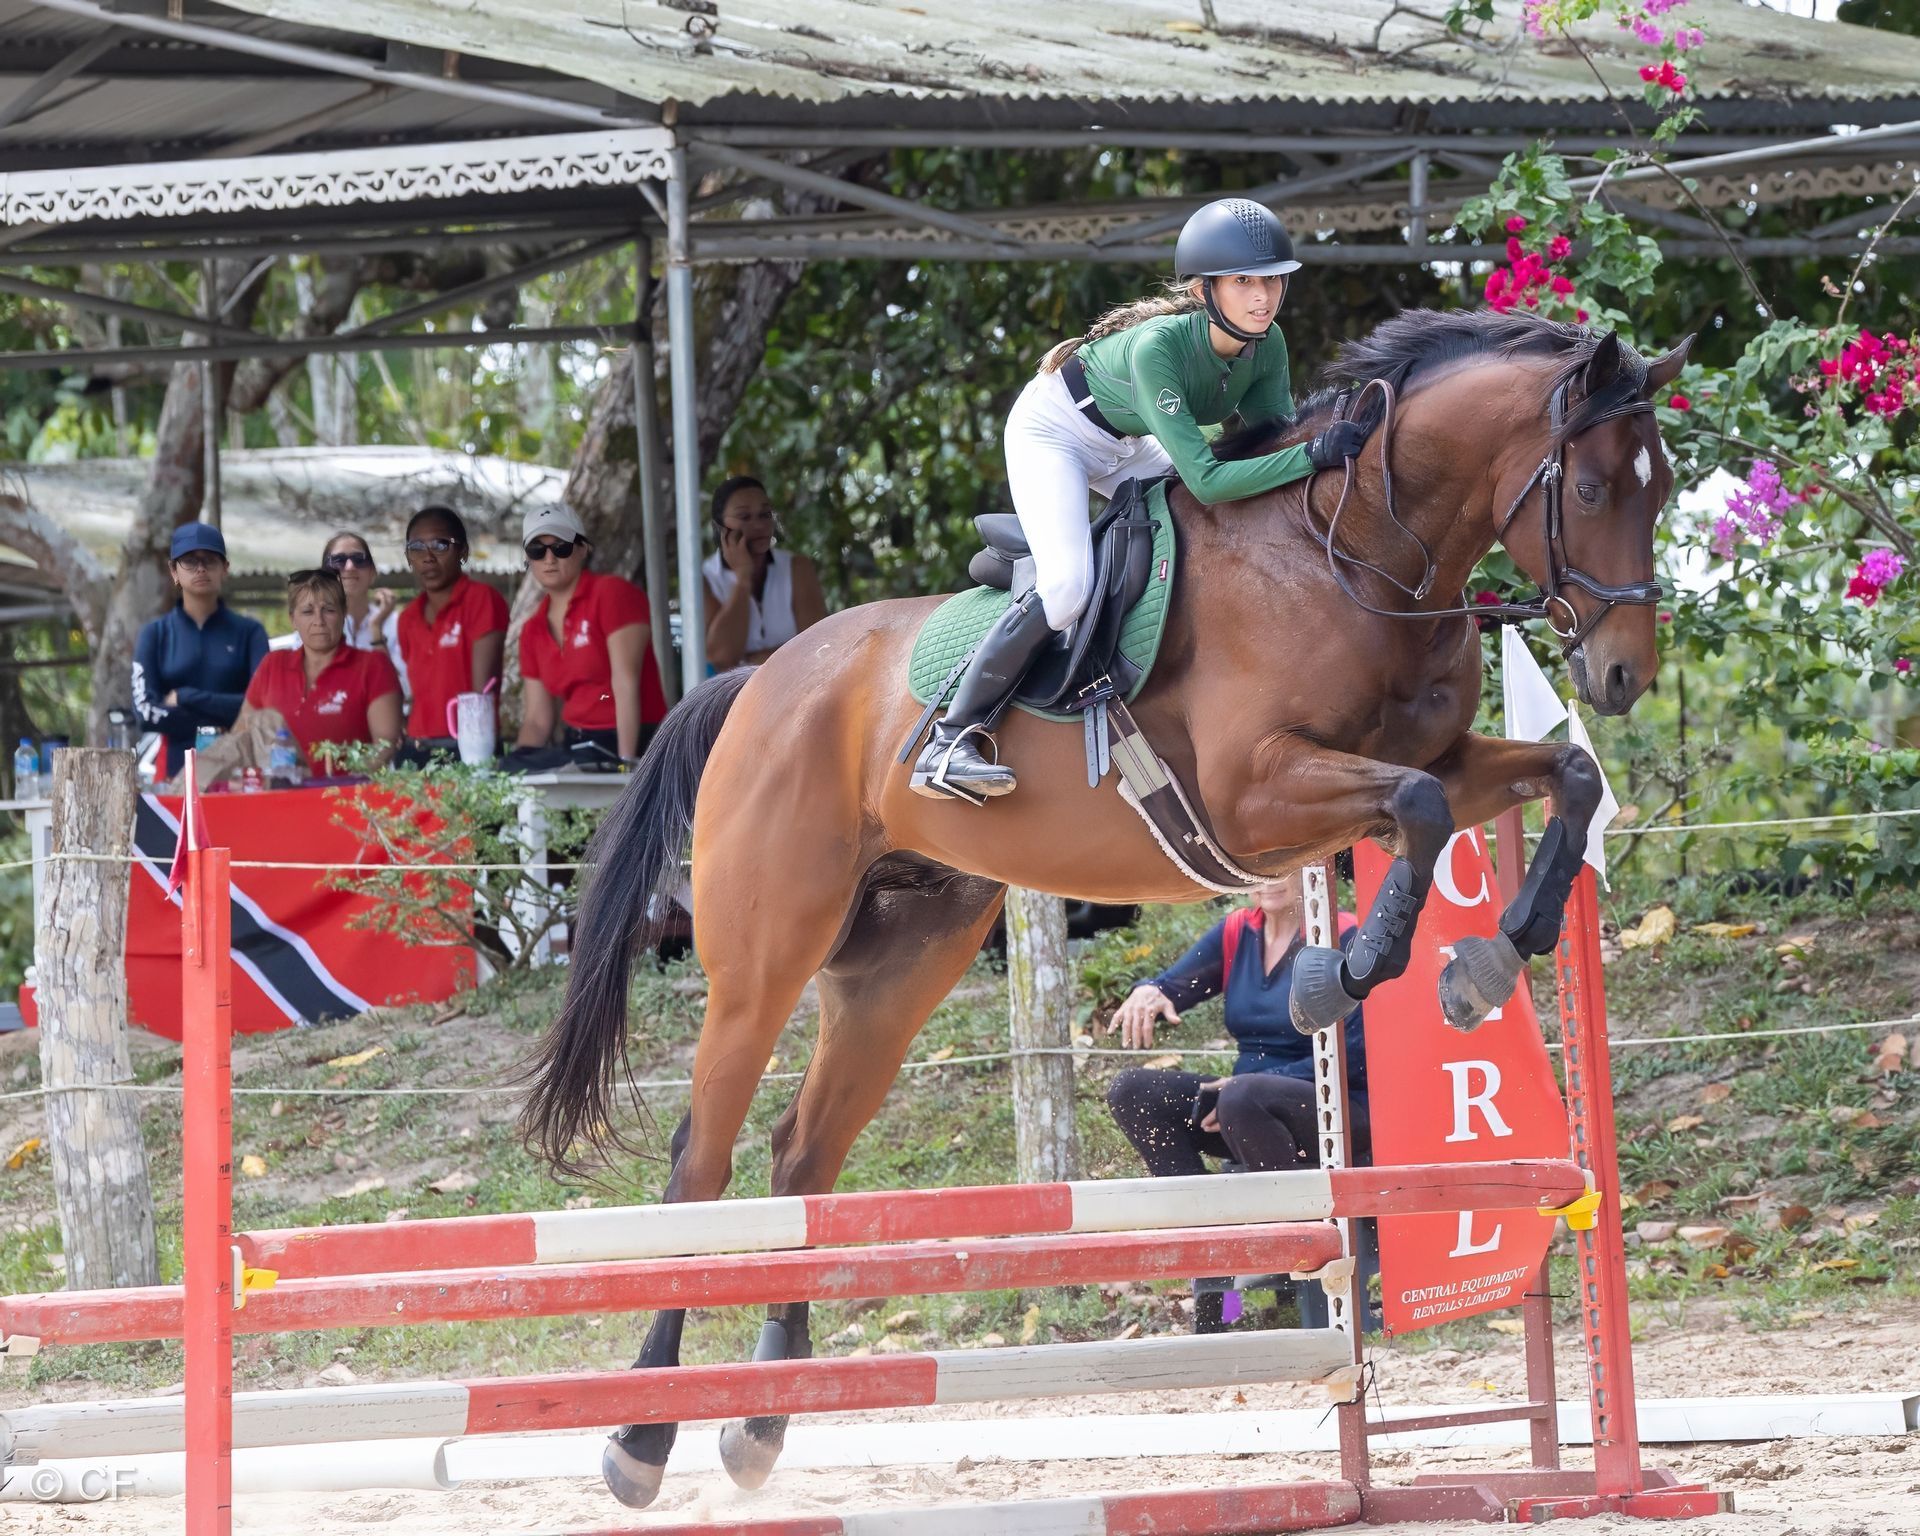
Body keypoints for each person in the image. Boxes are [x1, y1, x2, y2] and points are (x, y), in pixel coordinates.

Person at [911, 198, 1370, 803]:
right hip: (1056, 433)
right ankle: (948, 741)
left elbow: (1268, 446)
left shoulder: (1269, 344)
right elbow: (1210, 478)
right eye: (1243, 282)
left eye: (1272, 280)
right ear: (1205, 290)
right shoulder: (1158, 348)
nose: (1262, 297)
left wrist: (1314, 455)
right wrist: (1314, 456)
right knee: (1068, 589)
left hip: (1127, 443)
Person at [1105, 881, 1370, 1328]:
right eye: (1259, 866)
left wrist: (1249, 1084)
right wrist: (1151, 991)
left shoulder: (1349, 939)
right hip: (1244, 1111)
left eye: (1281, 865)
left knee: (1243, 1097)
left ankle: (1303, 1264)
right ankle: (1212, 1264)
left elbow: (1359, 1055)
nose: (1268, 877)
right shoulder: (1236, 933)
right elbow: (1175, 984)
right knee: (1132, 1091)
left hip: (1338, 1109)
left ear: (1313, 867)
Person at [515, 503, 668, 763]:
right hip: (577, 744)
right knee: (510, 768)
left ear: (582, 549)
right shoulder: (532, 629)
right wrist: (514, 771)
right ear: (528, 559)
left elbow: (625, 684)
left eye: (561, 547)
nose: (549, 559)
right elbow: (537, 721)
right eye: (537, 550)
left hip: (631, 738)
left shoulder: (611, 593)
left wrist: (626, 763)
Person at [132, 521, 270, 778]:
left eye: (210, 560)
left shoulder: (250, 633)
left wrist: (186, 697)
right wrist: (223, 719)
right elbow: (144, 713)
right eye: (189, 561)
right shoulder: (155, 634)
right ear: (173, 571)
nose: (201, 568)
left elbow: (262, 708)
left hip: (240, 776)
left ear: (225, 569)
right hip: (175, 777)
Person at [238, 568, 402, 774]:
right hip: (279, 797)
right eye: (307, 612)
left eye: (329, 610)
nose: (319, 621)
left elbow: (385, 745)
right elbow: (241, 734)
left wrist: (343, 784)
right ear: (293, 619)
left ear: (343, 613)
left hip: (349, 799)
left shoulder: (373, 666)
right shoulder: (272, 665)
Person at [394, 505, 508, 759]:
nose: (428, 557)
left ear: (463, 552)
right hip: (416, 748)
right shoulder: (408, 617)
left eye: (440, 545)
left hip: (467, 748)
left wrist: (476, 758)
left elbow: (481, 696)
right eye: (417, 547)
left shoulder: (482, 599)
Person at [701, 475, 827, 670]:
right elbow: (721, 657)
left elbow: (817, 645)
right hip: (733, 697)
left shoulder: (797, 568)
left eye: (765, 514)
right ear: (720, 527)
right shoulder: (705, 579)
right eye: (744, 517)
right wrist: (743, 579)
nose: (759, 525)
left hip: (795, 686)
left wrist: (749, 661)